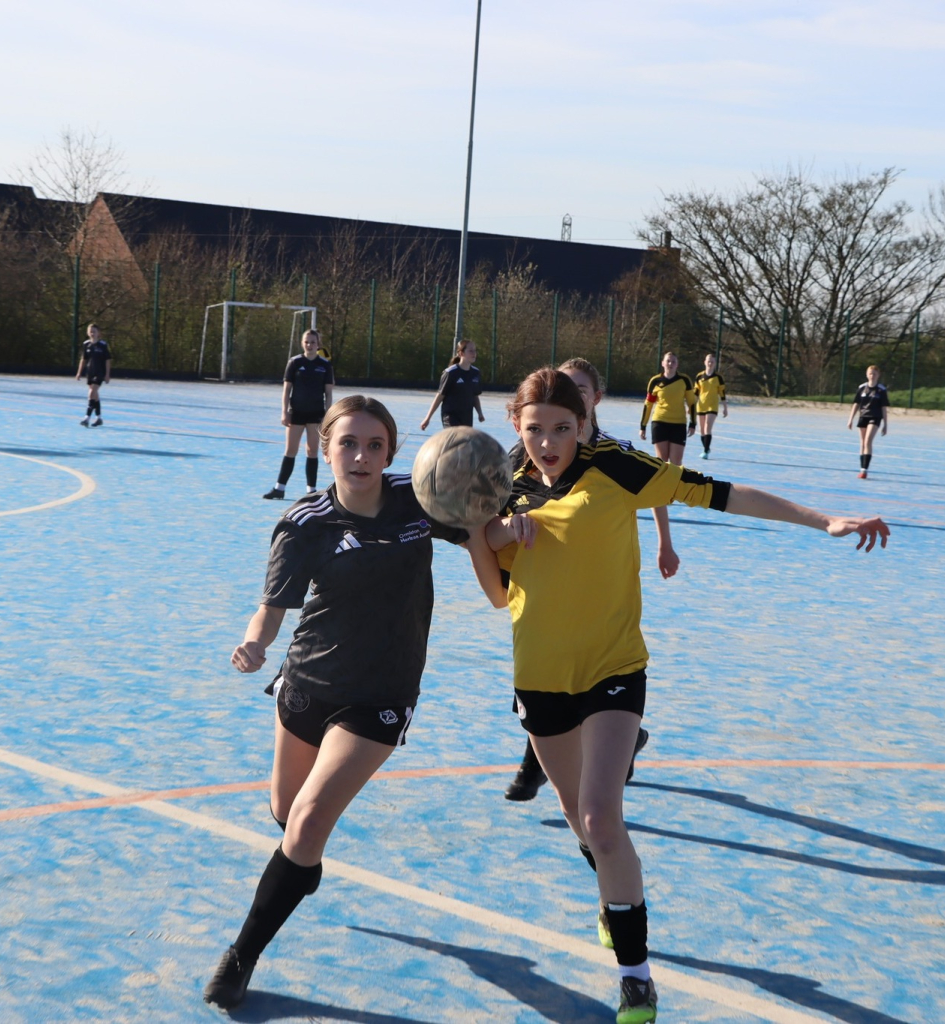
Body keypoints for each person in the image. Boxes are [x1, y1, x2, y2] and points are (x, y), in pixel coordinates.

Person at [474, 367, 888, 1024]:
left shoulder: (617, 467)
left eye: (562, 427)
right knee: (585, 824)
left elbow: (724, 494)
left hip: (614, 669)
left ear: (583, 424)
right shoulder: (502, 491)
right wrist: (491, 534)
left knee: (603, 818)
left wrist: (825, 520)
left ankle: (636, 978)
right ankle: (618, 899)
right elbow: (497, 595)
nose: (549, 441)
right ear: (516, 429)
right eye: (535, 429)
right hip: (540, 676)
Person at [204, 395, 483, 1010]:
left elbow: (482, 514)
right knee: (287, 814)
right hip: (306, 683)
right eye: (347, 444)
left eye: (375, 445)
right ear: (324, 449)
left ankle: (240, 956)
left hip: (381, 694)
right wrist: (253, 643)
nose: (361, 457)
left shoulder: (419, 496)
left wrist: (508, 520)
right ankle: (301, 868)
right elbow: (273, 609)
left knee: (304, 824)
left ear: (390, 450)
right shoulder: (304, 524)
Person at [504, 358, 661, 802]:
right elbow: (497, 539)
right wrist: (490, 532)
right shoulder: (523, 463)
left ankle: (609, 741)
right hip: (544, 625)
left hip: (605, 629)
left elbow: (663, 488)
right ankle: (542, 762)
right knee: (550, 689)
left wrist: (665, 543)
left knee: (595, 802)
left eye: (578, 389)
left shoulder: (614, 455)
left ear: (592, 401)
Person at [263, 329, 334, 499]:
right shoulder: (294, 363)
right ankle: (279, 488)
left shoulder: (325, 365)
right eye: (307, 342)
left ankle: (311, 491)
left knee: (312, 451)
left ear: (318, 344)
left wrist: (327, 416)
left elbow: (329, 394)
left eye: (313, 342)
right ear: (302, 343)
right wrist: (284, 412)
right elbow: (286, 391)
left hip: (316, 414)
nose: (309, 345)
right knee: (290, 450)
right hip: (296, 413)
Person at [639, 351, 697, 465]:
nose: (670, 363)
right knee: (662, 461)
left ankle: (676, 483)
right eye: (668, 361)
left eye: (673, 361)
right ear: (662, 363)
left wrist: (693, 423)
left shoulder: (684, 380)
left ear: (677, 364)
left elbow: (692, 403)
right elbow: (648, 404)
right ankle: (662, 483)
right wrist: (643, 426)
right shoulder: (655, 381)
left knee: (676, 462)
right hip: (659, 423)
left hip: (678, 424)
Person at [419, 339, 485, 430]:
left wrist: (480, 413)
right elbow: (440, 396)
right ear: (461, 353)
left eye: (475, 350)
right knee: (455, 441)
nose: (474, 353)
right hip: (450, 417)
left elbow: (474, 396)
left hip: (467, 418)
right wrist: (427, 418)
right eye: (470, 351)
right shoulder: (450, 372)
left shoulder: (475, 373)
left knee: (465, 443)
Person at [846, 365, 889, 479]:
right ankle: (861, 468)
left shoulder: (881, 390)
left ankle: (865, 470)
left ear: (878, 375)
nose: (872, 375)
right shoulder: (861, 388)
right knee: (862, 442)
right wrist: (850, 419)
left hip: (875, 417)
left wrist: (885, 424)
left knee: (868, 441)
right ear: (867, 374)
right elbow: (856, 404)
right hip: (863, 416)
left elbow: (884, 408)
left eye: (874, 373)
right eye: (870, 373)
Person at [75, 323, 111, 427]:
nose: (92, 333)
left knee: (92, 393)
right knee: (94, 395)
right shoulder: (86, 344)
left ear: (98, 333)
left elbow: (108, 360)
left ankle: (87, 417)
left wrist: (107, 374)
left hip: (100, 372)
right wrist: (79, 372)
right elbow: (83, 359)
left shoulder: (103, 345)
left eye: (94, 331)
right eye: (90, 331)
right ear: (87, 333)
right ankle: (99, 418)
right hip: (90, 372)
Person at [693, 353, 728, 459]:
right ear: (704, 362)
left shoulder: (718, 377)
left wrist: (725, 408)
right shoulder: (699, 376)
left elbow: (722, 393)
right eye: (708, 361)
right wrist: (691, 406)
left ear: (715, 363)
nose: (710, 363)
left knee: (708, 426)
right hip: (701, 405)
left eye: (712, 361)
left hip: (712, 406)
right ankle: (706, 447)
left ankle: (705, 451)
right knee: (702, 429)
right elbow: (696, 393)